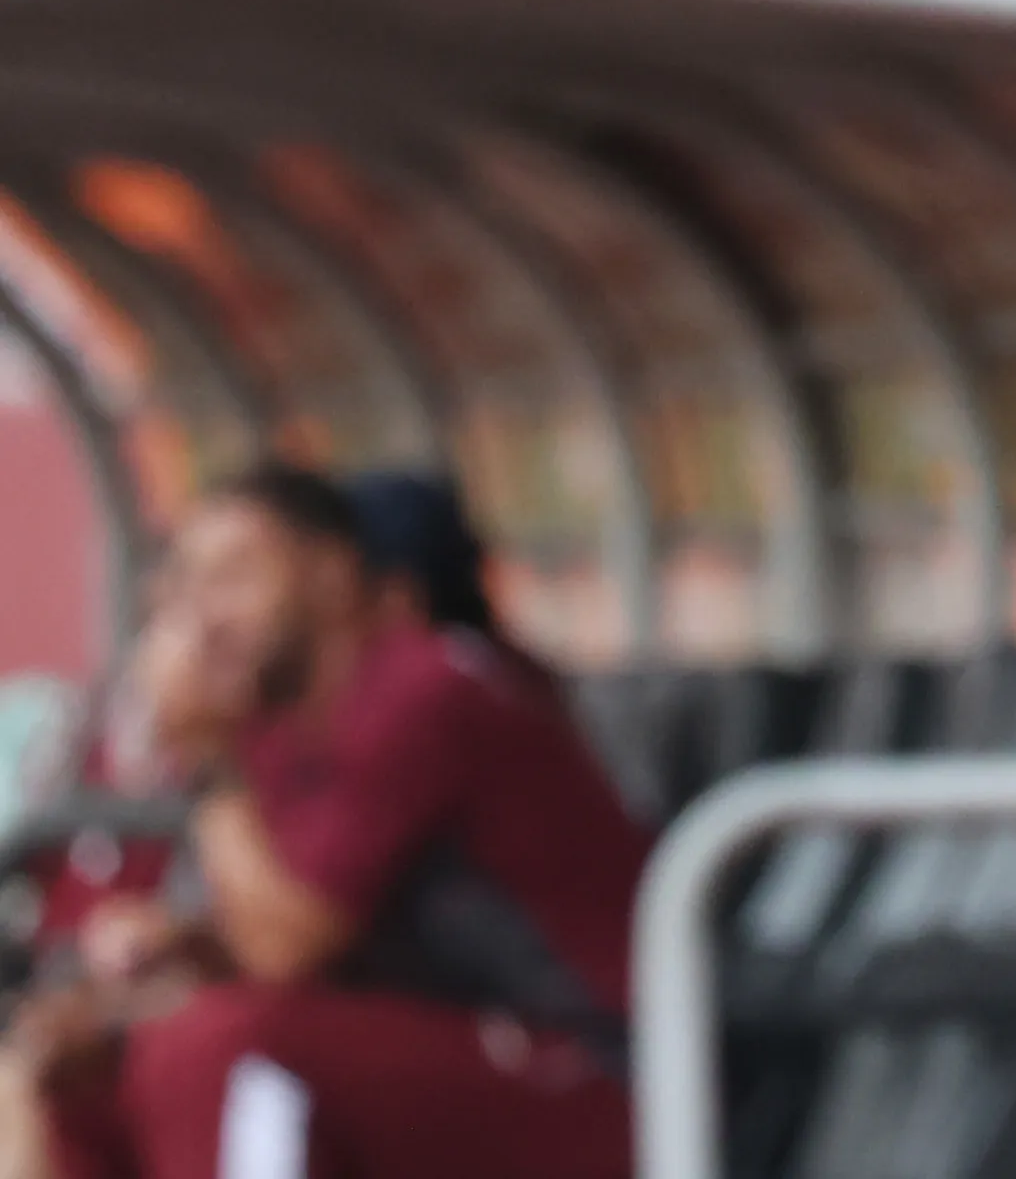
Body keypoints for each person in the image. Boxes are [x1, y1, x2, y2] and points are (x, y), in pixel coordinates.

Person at [36, 463, 647, 1179]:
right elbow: (287, 938)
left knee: (224, 1047)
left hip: (588, 1065)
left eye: (234, 576)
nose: (203, 615)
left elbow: (287, 950)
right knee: (78, 1076)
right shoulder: (288, 726)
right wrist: (176, 951)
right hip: (439, 1049)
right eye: (189, 581)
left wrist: (209, 758)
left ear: (329, 576)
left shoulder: (424, 689)